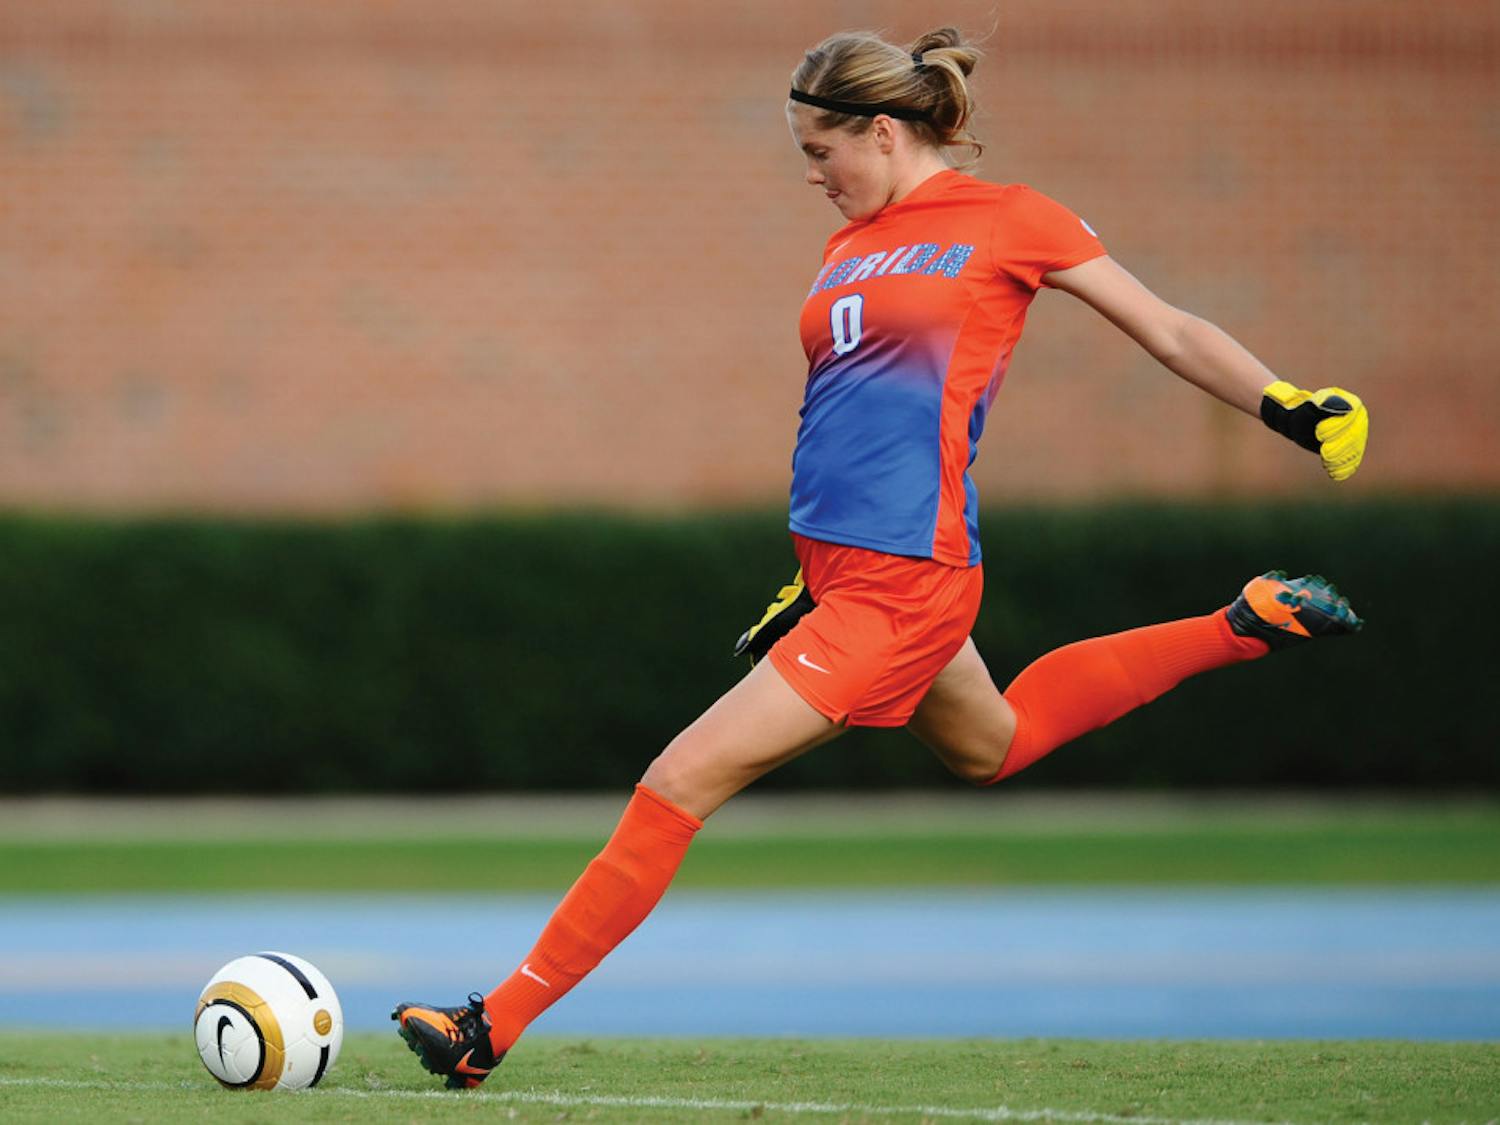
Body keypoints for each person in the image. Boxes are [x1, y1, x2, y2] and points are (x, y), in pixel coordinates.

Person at [392, 27, 1369, 1088]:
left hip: (907, 581)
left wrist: (1287, 404)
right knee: (992, 745)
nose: (814, 177)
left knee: (677, 781)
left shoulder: (1011, 220)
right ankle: (1247, 624)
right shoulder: (848, 247)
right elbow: (842, 421)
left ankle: (491, 1025)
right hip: (848, 576)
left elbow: (1168, 329)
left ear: (885, 131)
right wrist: (803, 583)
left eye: (822, 152)